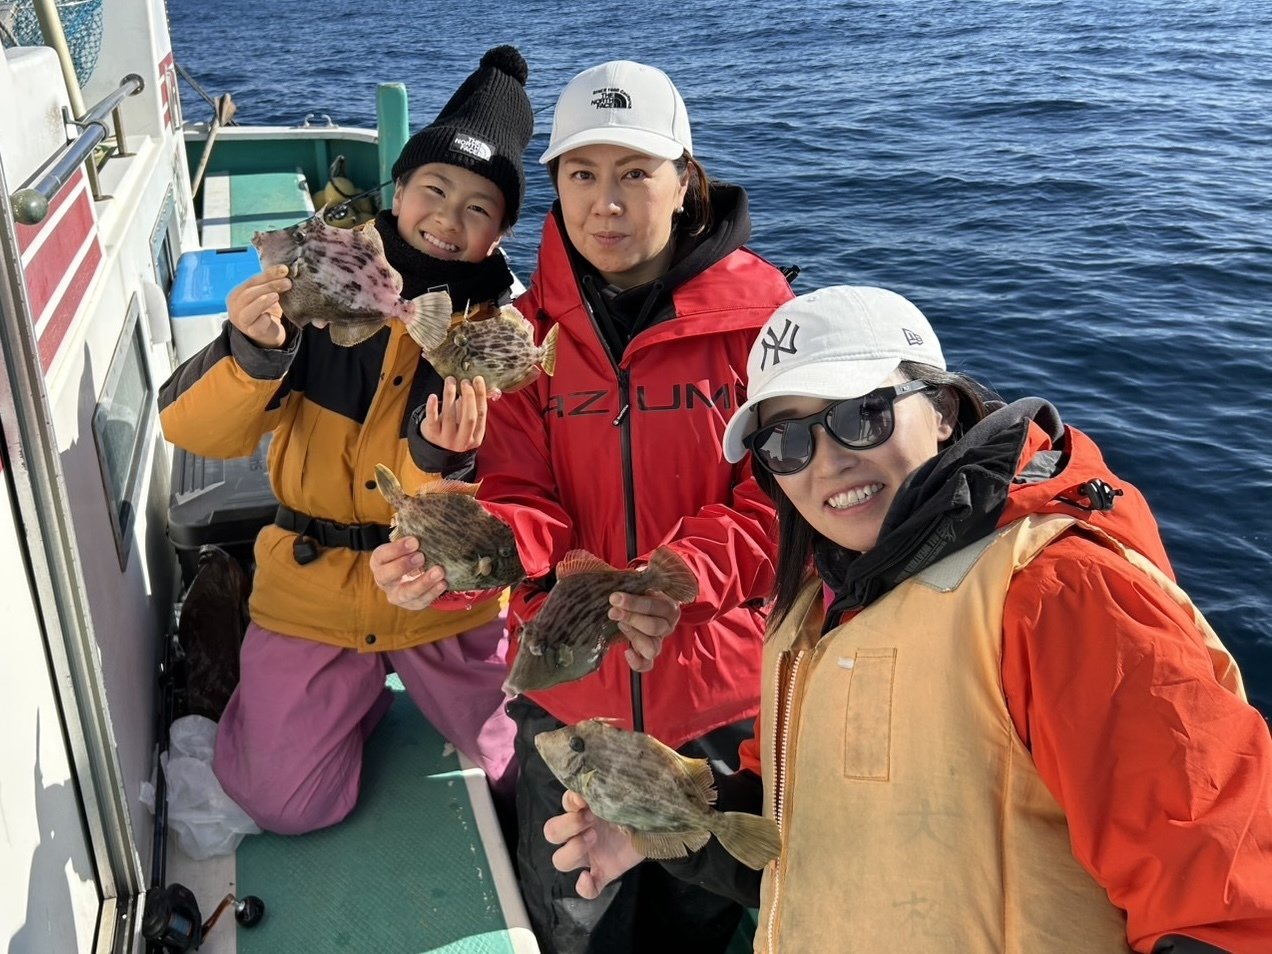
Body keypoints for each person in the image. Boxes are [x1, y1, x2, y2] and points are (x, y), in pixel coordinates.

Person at [543, 285, 1272, 952]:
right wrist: (664, 824)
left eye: (862, 415)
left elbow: (1221, 899)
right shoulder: (817, 603)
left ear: (943, 410)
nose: (826, 462)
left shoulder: (1061, 594)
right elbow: (798, 828)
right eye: (786, 442)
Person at [375, 58, 796, 953]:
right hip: (569, 701)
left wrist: (677, 577)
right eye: (581, 174)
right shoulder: (526, 338)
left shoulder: (766, 327)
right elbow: (522, 498)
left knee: (700, 920)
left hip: (720, 707)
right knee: (572, 921)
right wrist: (456, 561)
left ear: (684, 181)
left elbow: (783, 502)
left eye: (635, 173)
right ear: (557, 186)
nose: (606, 203)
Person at [159, 45, 534, 835]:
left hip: (441, 602)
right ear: (398, 191)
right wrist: (250, 352)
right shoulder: (320, 287)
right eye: (434, 190)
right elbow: (193, 431)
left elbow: (505, 505)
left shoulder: (498, 335)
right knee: (284, 803)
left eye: (479, 208)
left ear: (501, 233)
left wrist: (441, 464)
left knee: (525, 780)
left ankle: (373, 698)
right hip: (313, 589)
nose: (448, 218)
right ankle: (328, 698)